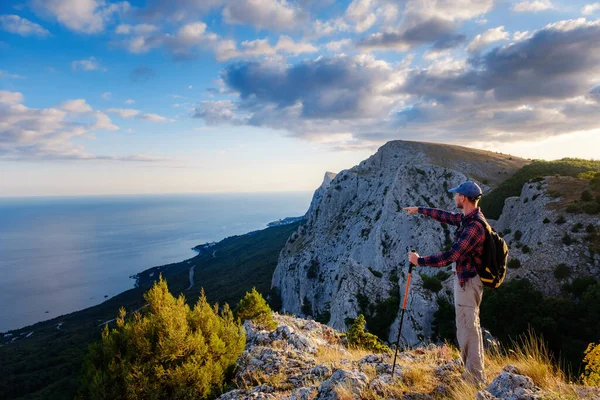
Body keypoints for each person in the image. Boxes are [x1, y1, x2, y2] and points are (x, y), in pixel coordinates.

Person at [403, 181, 487, 386]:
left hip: (469, 282)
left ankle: (475, 379)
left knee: (469, 328)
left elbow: (451, 255)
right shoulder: (467, 219)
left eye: (456, 194)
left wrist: (419, 261)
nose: (453, 197)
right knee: (465, 327)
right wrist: (420, 210)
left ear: (463, 198)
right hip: (465, 281)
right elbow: (446, 216)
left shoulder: (475, 226)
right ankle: (471, 372)